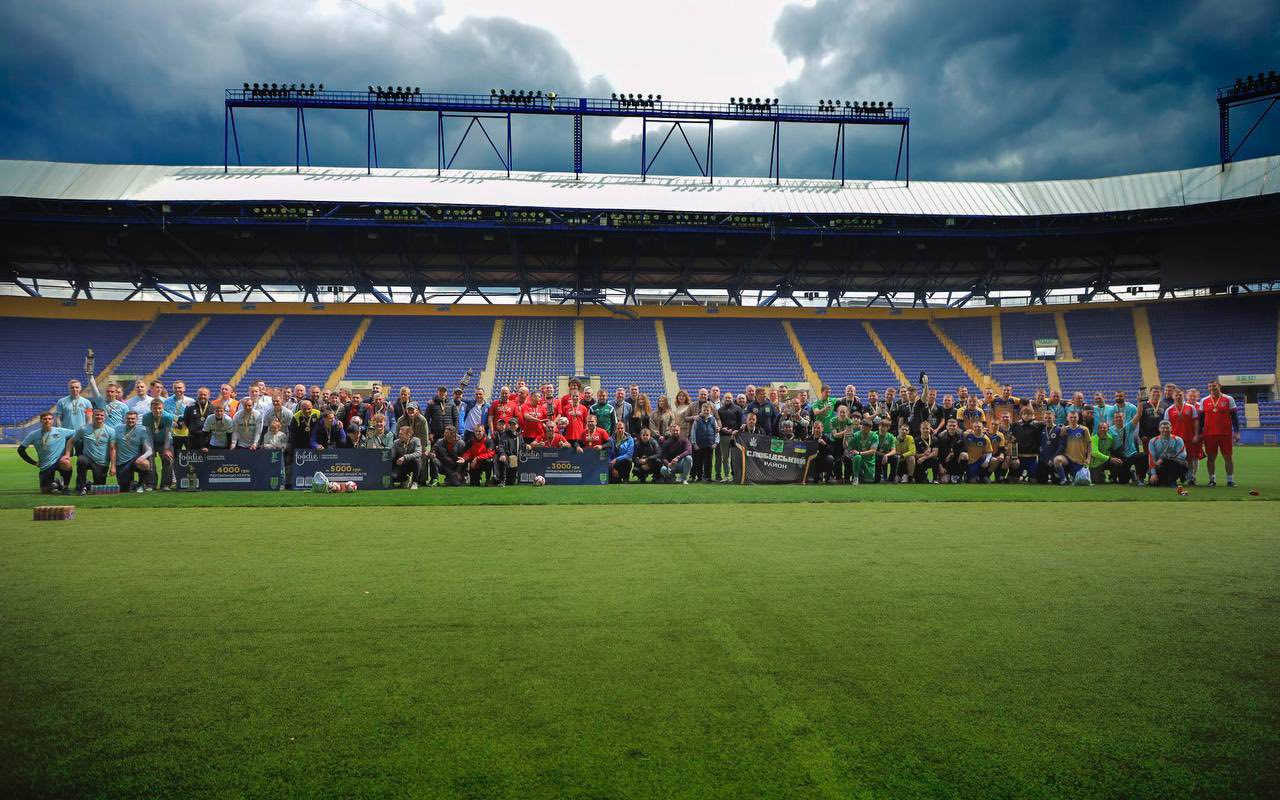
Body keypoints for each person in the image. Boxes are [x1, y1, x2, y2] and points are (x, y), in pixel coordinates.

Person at [20, 412, 76, 494]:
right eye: (45, 419)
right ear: (41, 421)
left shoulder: (61, 431)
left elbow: (78, 433)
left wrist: (68, 452)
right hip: (46, 465)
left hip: (59, 461)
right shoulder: (33, 434)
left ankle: (65, 487)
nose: (47, 421)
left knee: (66, 462)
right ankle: (57, 483)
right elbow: (20, 450)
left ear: (52, 421)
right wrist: (34, 462)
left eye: (49, 419)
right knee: (45, 491)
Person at [1200, 380, 1240, 487]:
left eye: (1214, 386)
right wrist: (1200, 433)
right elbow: (1201, 419)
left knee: (1228, 457)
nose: (1212, 388)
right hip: (1209, 434)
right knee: (1211, 458)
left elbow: (1234, 417)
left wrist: (1237, 432)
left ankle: (1230, 480)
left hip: (1225, 433)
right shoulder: (1204, 400)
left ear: (1219, 386)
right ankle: (1212, 480)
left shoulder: (1228, 399)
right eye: (1210, 386)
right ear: (1208, 388)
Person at [74, 408, 116, 494]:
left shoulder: (111, 431)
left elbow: (112, 449)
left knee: (98, 489)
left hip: (101, 462)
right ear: (93, 416)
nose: (99, 417)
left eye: (101, 415)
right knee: (81, 460)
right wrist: (67, 455)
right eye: (97, 415)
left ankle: (88, 485)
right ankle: (81, 487)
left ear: (104, 417)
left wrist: (113, 466)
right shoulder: (84, 429)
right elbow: (71, 441)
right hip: (88, 458)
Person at [1164, 391, 1199, 485]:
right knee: (1173, 458)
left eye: (1180, 395)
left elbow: (1196, 422)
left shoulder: (1190, 407)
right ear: (1173, 396)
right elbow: (1166, 425)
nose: (1178, 396)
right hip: (1174, 440)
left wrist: (1196, 435)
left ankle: (1191, 478)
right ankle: (1173, 477)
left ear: (1183, 396)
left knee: (1190, 458)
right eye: (1176, 395)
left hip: (1188, 437)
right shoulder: (1169, 409)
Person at [115, 410, 155, 492]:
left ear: (136, 419)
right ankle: (133, 484)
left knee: (144, 463)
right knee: (124, 489)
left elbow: (149, 450)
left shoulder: (142, 431)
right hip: (121, 462)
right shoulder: (117, 429)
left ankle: (141, 484)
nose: (130, 420)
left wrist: (142, 457)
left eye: (133, 419)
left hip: (134, 460)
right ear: (125, 419)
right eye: (128, 418)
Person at [141, 397, 177, 490]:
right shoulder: (146, 417)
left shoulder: (168, 417)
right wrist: (150, 449)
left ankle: (165, 485)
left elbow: (168, 434)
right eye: (155, 408)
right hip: (151, 441)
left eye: (159, 408)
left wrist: (166, 449)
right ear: (151, 408)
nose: (157, 410)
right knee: (150, 459)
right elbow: (148, 434)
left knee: (168, 459)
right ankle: (151, 484)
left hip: (165, 441)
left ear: (163, 407)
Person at [1053, 411, 1092, 485]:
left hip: (1079, 461)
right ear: (1067, 418)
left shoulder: (1084, 429)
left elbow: (1089, 444)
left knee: (1081, 482)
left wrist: (1088, 458)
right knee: (1057, 460)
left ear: (1078, 418)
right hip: (1067, 459)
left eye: (1075, 417)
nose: (1073, 419)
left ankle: (1072, 477)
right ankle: (1063, 480)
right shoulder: (1064, 430)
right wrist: (1062, 431)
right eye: (1071, 417)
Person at [1008, 405, 1045, 483]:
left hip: (1032, 457)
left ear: (1032, 415)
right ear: (1021, 415)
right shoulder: (1015, 426)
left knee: (1034, 481)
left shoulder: (1038, 425)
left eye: (1028, 414)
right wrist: (1014, 457)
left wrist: (1063, 427)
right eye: (1024, 414)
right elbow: (1013, 441)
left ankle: (1027, 477)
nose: (1026, 416)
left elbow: (1051, 424)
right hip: (1019, 457)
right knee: (1015, 480)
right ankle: (1014, 475)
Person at [1147, 419, 1189, 487]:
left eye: (1167, 428)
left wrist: (1165, 459)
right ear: (1159, 429)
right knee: (1154, 483)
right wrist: (1153, 474)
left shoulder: (1178, 440)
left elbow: (1182, 455)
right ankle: (1166, 479)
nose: (1165, 430)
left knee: (1179, 463)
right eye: (1163, 428)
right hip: (1161, 465)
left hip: (1174, 464)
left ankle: (1174, 479)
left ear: (1171, 428)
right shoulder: (1153, 441)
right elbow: (1152, 458)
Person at [715, 393, 741, 482]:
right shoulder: (720, 410)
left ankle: (735, 476)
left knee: (735, 457)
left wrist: (734, 430)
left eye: (729, 397)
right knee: (725, 457)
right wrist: (722, 429)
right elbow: (718, 422)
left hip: (735, 436)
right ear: (723, 399)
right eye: (726, 397)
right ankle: (726, 476)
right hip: (724, 436)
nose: (728, 399)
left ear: (732, 398)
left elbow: (740, 422)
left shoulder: (737, 409)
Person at [690, 401, 718, 483]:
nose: (706, 412)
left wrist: (716, 442)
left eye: (707, 410)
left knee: (709, 462)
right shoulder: (697, 420)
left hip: (710, 444)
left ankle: (708, 477)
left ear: (710, 411)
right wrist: (694, 443)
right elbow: (693, 432)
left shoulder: (713, 419)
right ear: (701, 410)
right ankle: (699, 477)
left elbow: (717, 432)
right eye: (704, 410)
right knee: (699, 461)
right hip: (699, 445)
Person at [959, 419, 993, 483]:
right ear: (973, 427)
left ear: (982, 428)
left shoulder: (985, 438)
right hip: (968, 460)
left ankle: (985, 477)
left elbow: (989, 451)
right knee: (973, 481)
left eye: (979, 427)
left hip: (978, 461)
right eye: (975, 427)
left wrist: (987, 460)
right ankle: (963, 475)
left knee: (994, 460)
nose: (977, 428)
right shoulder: (967, 435)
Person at [391, 425, 424, 489]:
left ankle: (415, 482)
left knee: (417, 460)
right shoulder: (396, 442)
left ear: (408, 435)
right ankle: (405, 479)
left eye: (401, 434)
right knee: (393, 477)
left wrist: (404, 457)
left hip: (412, 464)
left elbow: (418, 453)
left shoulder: (416, 440)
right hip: (401, 465)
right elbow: (392, 455)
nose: (399, 436)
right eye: (399, 434)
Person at [847, 419, 878, 486]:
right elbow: (847, 446)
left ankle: (862, 475)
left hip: (869, 460)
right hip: (859, 458)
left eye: (865, 428)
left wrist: (859, 453)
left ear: (870, 428)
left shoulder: (874, 436)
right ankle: (856, 477)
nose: (863, 429)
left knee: (869, 481)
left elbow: (873, 451)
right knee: (857, 457)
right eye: (862, 427)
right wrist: (845, 438)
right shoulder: (856, 435)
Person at [493, 418, 522, 487]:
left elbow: (522, 445)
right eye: (511, 424)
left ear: (517, 425)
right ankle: (502, 480)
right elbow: (501, 446)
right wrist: (502, 454)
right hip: (507, 457)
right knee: (502, 459)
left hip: (515, 459)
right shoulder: (505, 435)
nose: (512, 426)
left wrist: (527, 446)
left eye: (514, 424)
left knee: (511, 482)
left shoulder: (519, 436)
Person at [874, 418, 898, 483]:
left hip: (886, 455)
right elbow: (872, 450)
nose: (881, 428)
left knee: (896, 458)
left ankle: (892, 478)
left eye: (884, 426)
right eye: (880, 426)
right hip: (876, 455)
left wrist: (886, 455)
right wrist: (882, 455)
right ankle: (879, 477)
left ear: (888, 428)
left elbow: (894, 451)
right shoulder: (874, 434)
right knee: (877, 458)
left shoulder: (891, 436)